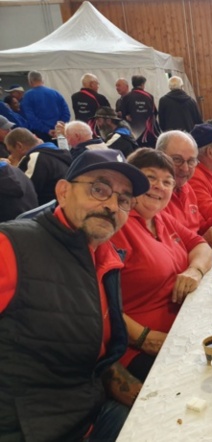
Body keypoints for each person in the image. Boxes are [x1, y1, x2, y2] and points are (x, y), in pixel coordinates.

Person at [0, 149, 149, 441]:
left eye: (123, 200)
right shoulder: (12, 245)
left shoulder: (104, 257)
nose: (111, 206)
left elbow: (98, 360)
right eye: (99, 189)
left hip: (90, 415)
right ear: (63, 192)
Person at [110, 148, 212, 381]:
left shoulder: (160, 217)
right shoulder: (116, 226)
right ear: (130, 183)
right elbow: (99, 302)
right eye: (150, 178)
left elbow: (201, 245)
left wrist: (194, 270)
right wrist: (144, 338)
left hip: (184, 325)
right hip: (142, 347)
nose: (160, 186)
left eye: (167, 181)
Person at [156, 130, 212, 248]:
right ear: (158, 158)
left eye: (191, 161)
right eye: (177, 159)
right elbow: (165, 254)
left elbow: (197, 225)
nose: (185, 168)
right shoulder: (155, 198)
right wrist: (203, 241)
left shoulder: (185, 187)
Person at [5, 127, 72, 205]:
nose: (10, 156)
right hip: (60, 203)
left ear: (19, 146)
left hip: (47, 208)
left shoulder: (35, 157)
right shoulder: (57, 152)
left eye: (11, 151)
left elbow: (23, 191)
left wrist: (12, 168)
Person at [20, 71, 70, 142]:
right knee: (62, 151)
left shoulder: (27, 96)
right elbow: (66, 112)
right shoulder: (56, 93)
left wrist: (47, 130)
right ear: (42, 80)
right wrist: (59, 128)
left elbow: (30, 117)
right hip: (59, 133)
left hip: (40, 135)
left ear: (30, 81)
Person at [119, 75, 157, 142]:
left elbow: (123, 116)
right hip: (148, 132)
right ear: (142, 84)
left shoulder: (126, 97)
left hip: (133, 132)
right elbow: (155, 112)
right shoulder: (149, 96)